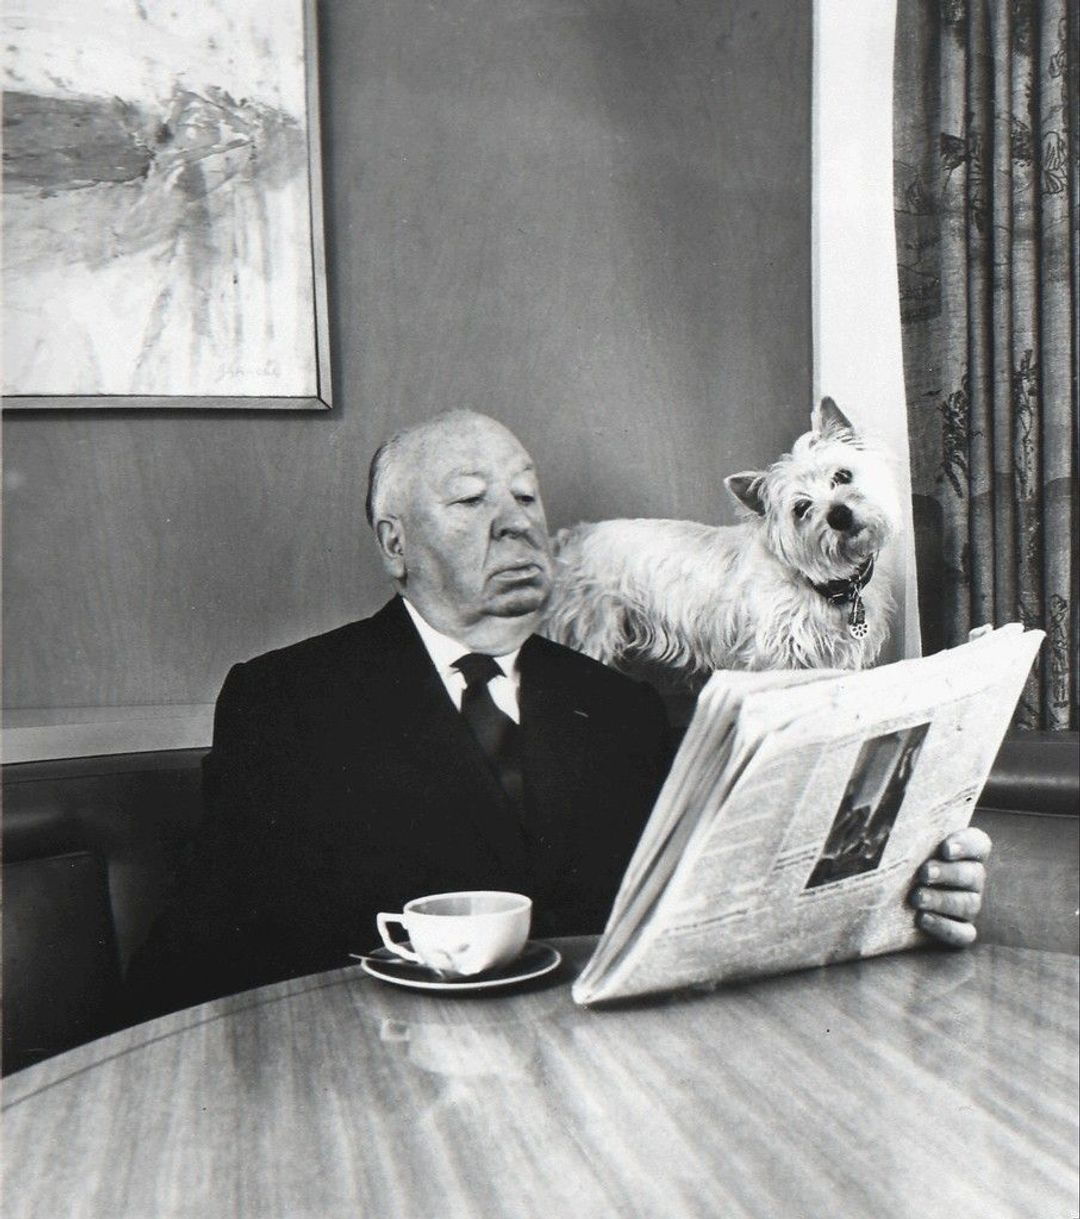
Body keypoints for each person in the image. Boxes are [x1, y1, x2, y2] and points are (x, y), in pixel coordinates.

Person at [126, 411, 990, 1016]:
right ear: (395, 544)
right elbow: (206, 954)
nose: (515, 524)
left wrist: (909, 898)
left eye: (528, 498)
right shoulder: (287, 702)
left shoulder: (622, 710)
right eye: (470, 501)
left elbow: (716, 917)